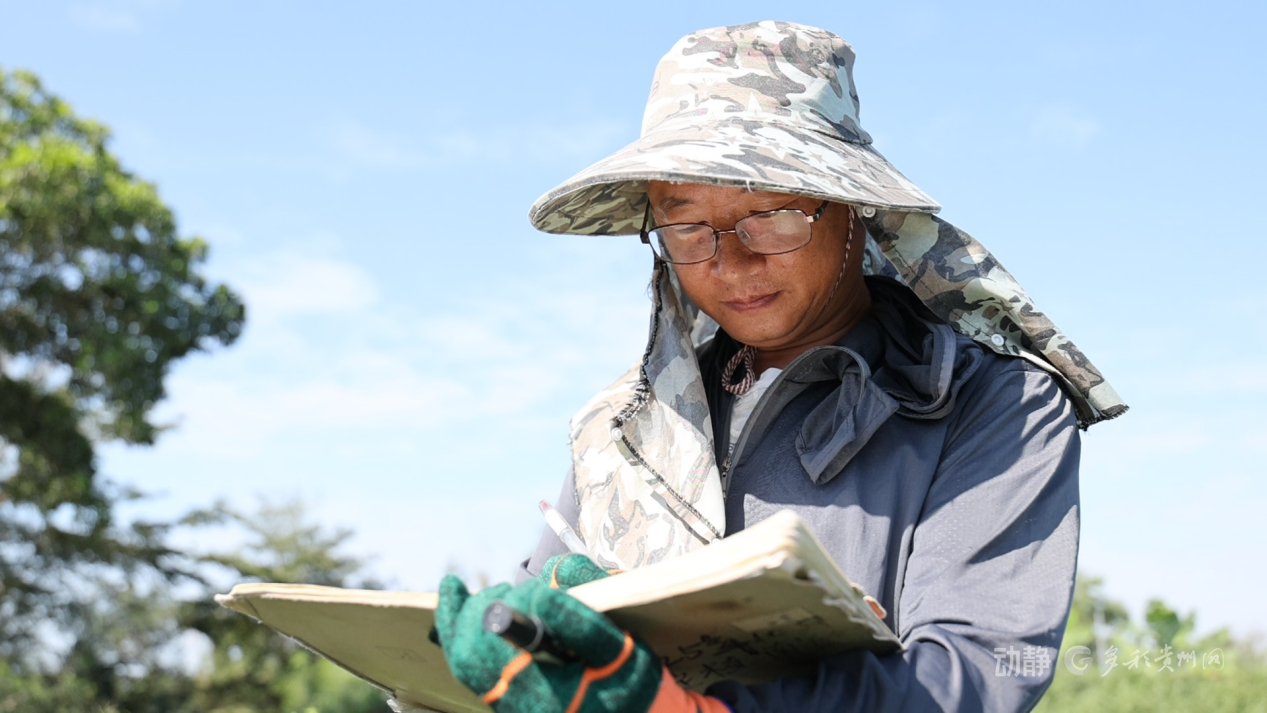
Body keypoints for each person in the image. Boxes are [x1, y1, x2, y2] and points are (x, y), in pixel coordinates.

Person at [430, 20, 1126, 713]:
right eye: (686, 226)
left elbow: (975, 675)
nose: (731, 263)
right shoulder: (624, 427)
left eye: (771, 215)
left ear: (853, 211)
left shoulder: (992, 402)